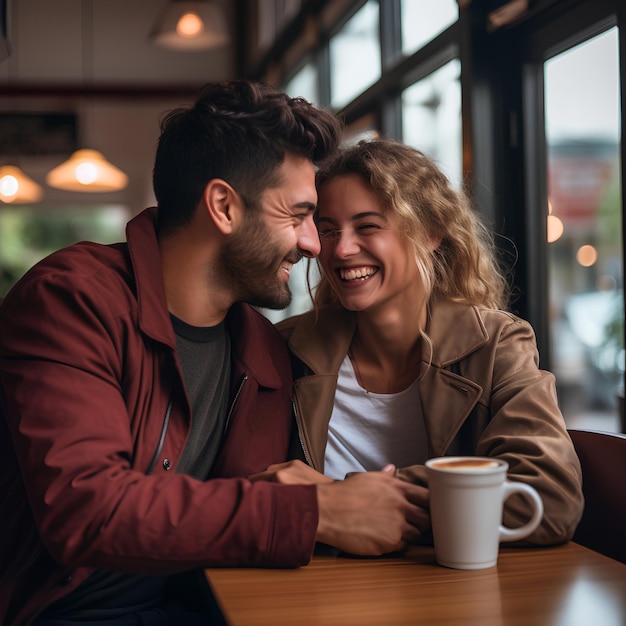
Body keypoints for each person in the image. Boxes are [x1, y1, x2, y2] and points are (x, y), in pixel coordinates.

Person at [0, 83, 427, 626]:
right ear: (223, 206)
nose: (314, 245)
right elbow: (86, 510)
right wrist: (310, 511)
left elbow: (233, 507)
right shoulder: (73, 300)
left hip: (207, 603)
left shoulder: (264, 352)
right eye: (297, 216)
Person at [273, 137, 584, 546]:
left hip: (450, 593)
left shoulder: (496, 344)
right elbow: (251, 485)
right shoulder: (284, 347)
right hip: (313, 595)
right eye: (328, 231)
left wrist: (340, 498)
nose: (341, 250)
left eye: (367, 226)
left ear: (432, 231)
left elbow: (549, 498)